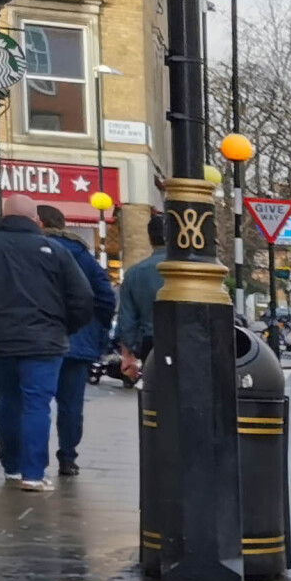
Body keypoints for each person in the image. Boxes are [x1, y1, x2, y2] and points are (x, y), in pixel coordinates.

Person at [0, 201, 97, 491]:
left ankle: (12, 467)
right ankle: (34, 474)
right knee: (37, 405)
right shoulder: (56, 252)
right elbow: (83, 298)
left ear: (3, 215)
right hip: (44, 342)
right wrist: (64, 327)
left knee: (7, 401)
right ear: (36, 219)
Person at [35, 204, 115, 478]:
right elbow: (105, 296)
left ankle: (34, 461)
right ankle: (67, 458)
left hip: (39, 338)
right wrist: (97, 329)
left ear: (40, 223)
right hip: (78, 340)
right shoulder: (82, 254)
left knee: (36, 401)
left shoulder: (33, 252)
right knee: (71, 404)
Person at [113, 210, 167, 374]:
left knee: (156, 391)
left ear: (150, 238)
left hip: (150, 343)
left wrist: (129, 352)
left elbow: (127, 318)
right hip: (188, 341)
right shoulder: (191, 268)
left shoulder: (135, 273)